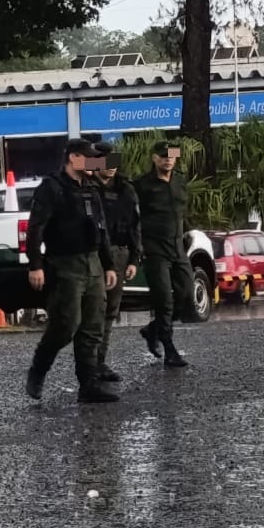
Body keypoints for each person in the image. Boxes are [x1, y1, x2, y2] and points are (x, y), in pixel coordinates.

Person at [25, 140, 119, 404]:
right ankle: (39, 369)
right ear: (73, 157)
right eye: (89, 158)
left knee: (92, 328)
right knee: (66, 325)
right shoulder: (51, 188)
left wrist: (108, 264)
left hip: (93, 265)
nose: (95, 164)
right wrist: (35, 265)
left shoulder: (91, 189)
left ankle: (89, 385)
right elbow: (35, 229)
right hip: (64, 265)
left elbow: (101, 230)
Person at [133, 141, 195, 367]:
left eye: (172, 155)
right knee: (164, 301)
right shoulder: (142, 184)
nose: (168, 159)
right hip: (155, 250)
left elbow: (181, 212)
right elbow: (130, 214)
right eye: (163, 155)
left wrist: (190, 232)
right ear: (154, 158)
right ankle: (169, 349)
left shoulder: (180, 181)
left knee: (187, 296)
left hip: (178, 248)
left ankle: (152, 329)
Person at [94, 145, 142, 382]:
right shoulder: (86, 188)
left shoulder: (126, 189)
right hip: (92, 256)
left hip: (119, 254)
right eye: (106, 161)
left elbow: (134, 226)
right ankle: (88, 363)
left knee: (110, 311)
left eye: (114, 161)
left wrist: (134, 258)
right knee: (93, 309)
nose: (111, 166)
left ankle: (99, 362)